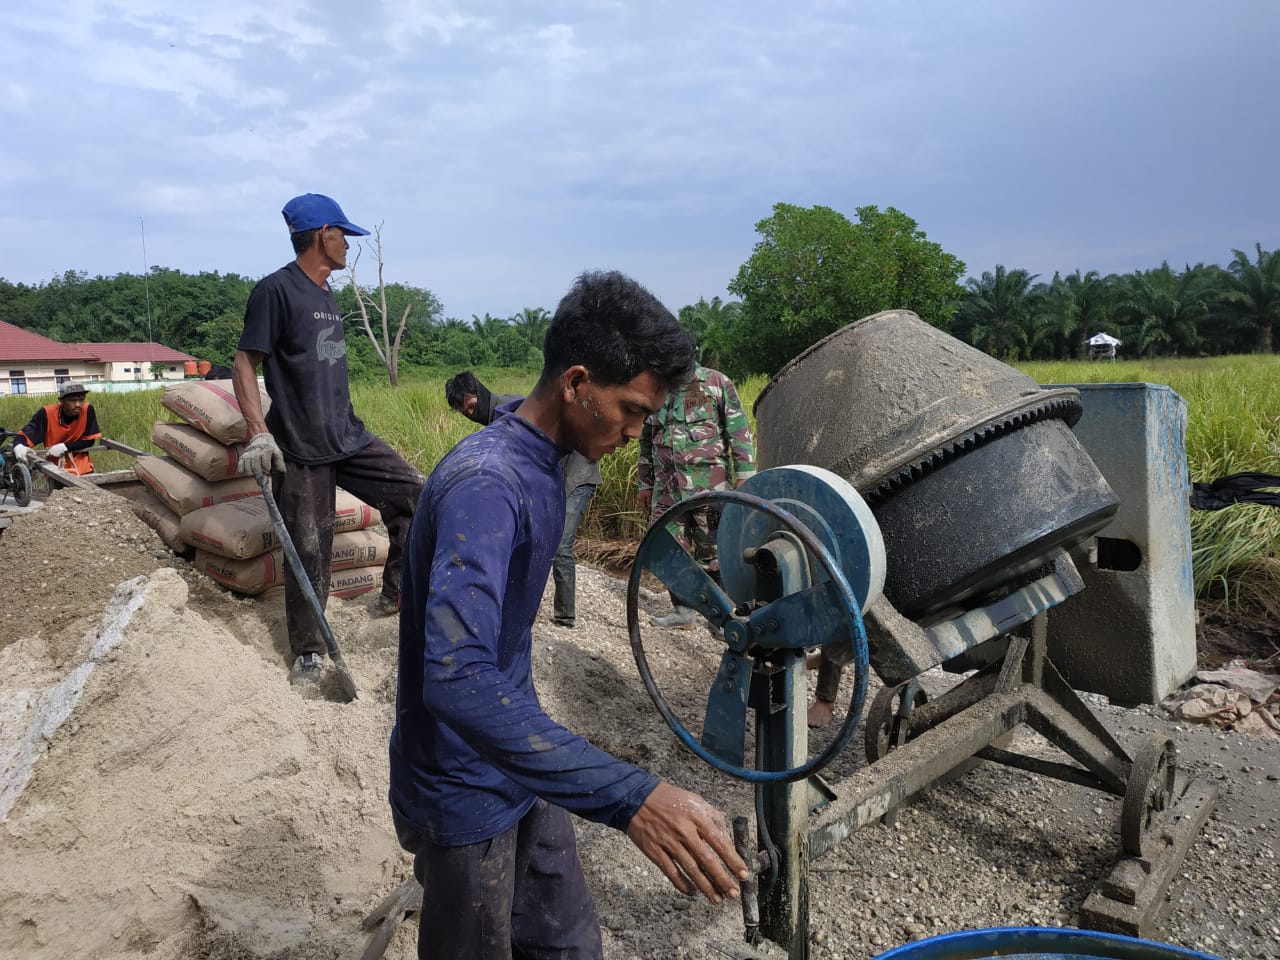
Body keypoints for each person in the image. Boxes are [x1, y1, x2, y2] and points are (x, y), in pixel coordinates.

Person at [390, 270, 749, 960]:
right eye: (633, 410)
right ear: (578, 383)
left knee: (567, 941)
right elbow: (457, 678)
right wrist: (631, 797)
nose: (637, 432)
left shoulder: (545, 458)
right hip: (461, 785)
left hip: (523, 759)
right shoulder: (488, 486)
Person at [232, 193, 425, 684]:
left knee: (415, 496)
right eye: (344, 235)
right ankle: (309, 653)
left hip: (348, 435)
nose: (347, 246)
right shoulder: (276, 290)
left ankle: (395, 591)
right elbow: (244, 363)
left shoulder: (326, 292)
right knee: (309, 547)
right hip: (299, 448)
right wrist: (259, 434)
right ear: (324, 235)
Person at [445, 369, 601, 628]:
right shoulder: (496, 417)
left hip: (577, 473)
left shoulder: (510, 412)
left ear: (479, 393)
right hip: (560, 477)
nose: (471, 414)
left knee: (559, 546)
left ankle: (565, 617)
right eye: (465, 413)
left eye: (471, 406)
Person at [636, 362, 756, 628]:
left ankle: (722, 618)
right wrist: (643, 483)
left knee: (715, 552)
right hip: (667, 489)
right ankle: (683, 612)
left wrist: (745, 475)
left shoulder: (715, 383)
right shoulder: (656, 387)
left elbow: (739, 431)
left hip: (710, 489)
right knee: (667, 549)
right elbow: (646, 440)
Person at [12, 381, 101, 475]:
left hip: (82, 468)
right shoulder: (47, 413)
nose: (78, 404)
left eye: (81, 399)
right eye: (72, 400)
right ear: (61, 400)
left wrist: (65, 447)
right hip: (55, 469)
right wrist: (19, 446)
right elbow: (27, 434)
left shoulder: (87, 410)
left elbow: (89, 441)